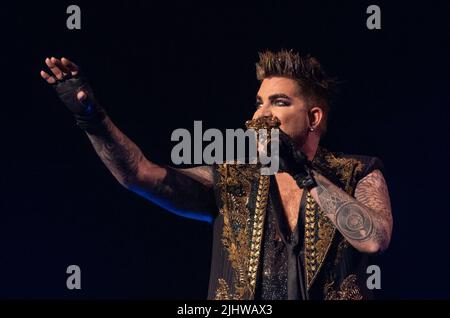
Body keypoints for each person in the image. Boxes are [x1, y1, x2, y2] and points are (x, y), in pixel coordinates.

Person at [40, 50, 392, 300]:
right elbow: (138, 173)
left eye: (279, 102)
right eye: (259, 102)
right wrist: (92, 119)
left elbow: (374, 238)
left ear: (313, 118)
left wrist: (304, 174)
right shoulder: (233, 180)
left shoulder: (358, 171)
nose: (260, 115)